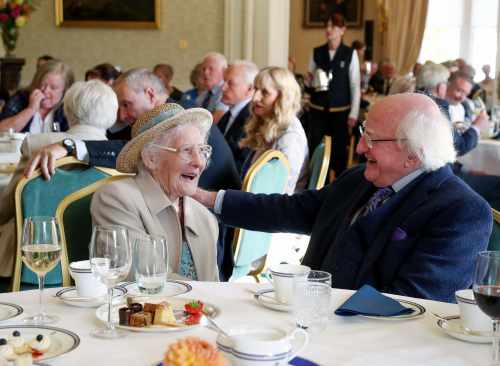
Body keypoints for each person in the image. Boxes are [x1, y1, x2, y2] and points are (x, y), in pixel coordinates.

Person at [194, 93, 492, 303]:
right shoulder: (359, 179)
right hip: (307, 320)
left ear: (413, 155)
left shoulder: (461, 212)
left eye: (371, 138)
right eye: (364, 132)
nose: (360, 147)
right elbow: (289, 210)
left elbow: (413, 305)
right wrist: (205, 198)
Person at [22, 68, 241, 193]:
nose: (123, 115)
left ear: (151, 94)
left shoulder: (181, 119)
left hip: (211, 228)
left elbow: (131, 150)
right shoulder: (174, 111)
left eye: (126, 104)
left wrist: (69, 146)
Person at [0, 80, 118, 278]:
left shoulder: (37, 144)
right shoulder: (121, 155)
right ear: (112, 116)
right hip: (98, 265)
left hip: (30, 265)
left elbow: (6, 209)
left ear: (68, 111)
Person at [91, 103, 219, 281]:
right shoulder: (116, 198)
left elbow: (216, 288)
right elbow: (146, 278)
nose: (199, 162)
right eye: (187, 150)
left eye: (202, 150)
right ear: (151, 158)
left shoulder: (205, 218)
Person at [307, 13, 360, 181]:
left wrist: (353, 113)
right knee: (316, 149)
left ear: (342, 30)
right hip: (317, 110)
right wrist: (309, 81)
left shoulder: (350, 54)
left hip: (340, 112)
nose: (329, 30)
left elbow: (355, 85)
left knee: (338, 153)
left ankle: (338, 187)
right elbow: (310, 84)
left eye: (334, 26)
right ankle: (315, 185)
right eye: (327, 26)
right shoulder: (317, 52)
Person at [241, 67, 308, 193]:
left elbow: (281, 194)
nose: (255, 98)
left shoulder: (291, 137)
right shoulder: (272, 125)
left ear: (283, 97)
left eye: (265, 92)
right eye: (255, 89)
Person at [416, 62, 484, 156]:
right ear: (441, 87)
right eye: (446, 83)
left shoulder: (414, 98)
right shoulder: (438, 106)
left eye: (466, 94)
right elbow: (459, 146)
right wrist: (477, 126)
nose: (462, 97)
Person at [0, 60, 74, 133]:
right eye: (42, 84)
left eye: (53, 87)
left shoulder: (68, 109)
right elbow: (2, 130)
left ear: (65, 91)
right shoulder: (20, 98)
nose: (45, 91)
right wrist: (30, 109)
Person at [218, 60, 258, 172]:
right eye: (224, 82)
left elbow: (242, 165)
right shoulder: (228, 114)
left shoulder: (254, 119)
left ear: (250, 89)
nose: (223, 88)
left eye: (230, 83)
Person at [196, 52, 229, 123]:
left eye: (211, 69)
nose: (205, 72)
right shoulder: (204, 93)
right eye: (204, 69)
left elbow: (215, 121)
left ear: (224, 71)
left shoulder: (225, 92)